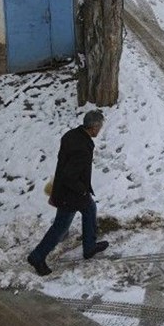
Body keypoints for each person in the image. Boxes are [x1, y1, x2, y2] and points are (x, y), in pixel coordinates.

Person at [26, 110, 110, 276]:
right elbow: (70, 176)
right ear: (93, 128)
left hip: (67, 190)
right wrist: (82, 190)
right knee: (61, 227)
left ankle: (90, 247)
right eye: (99, 127)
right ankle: (37, 256)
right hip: (70, 194)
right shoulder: (82, 147)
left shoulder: (72, 135)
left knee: (90, 209)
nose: (100, 130)